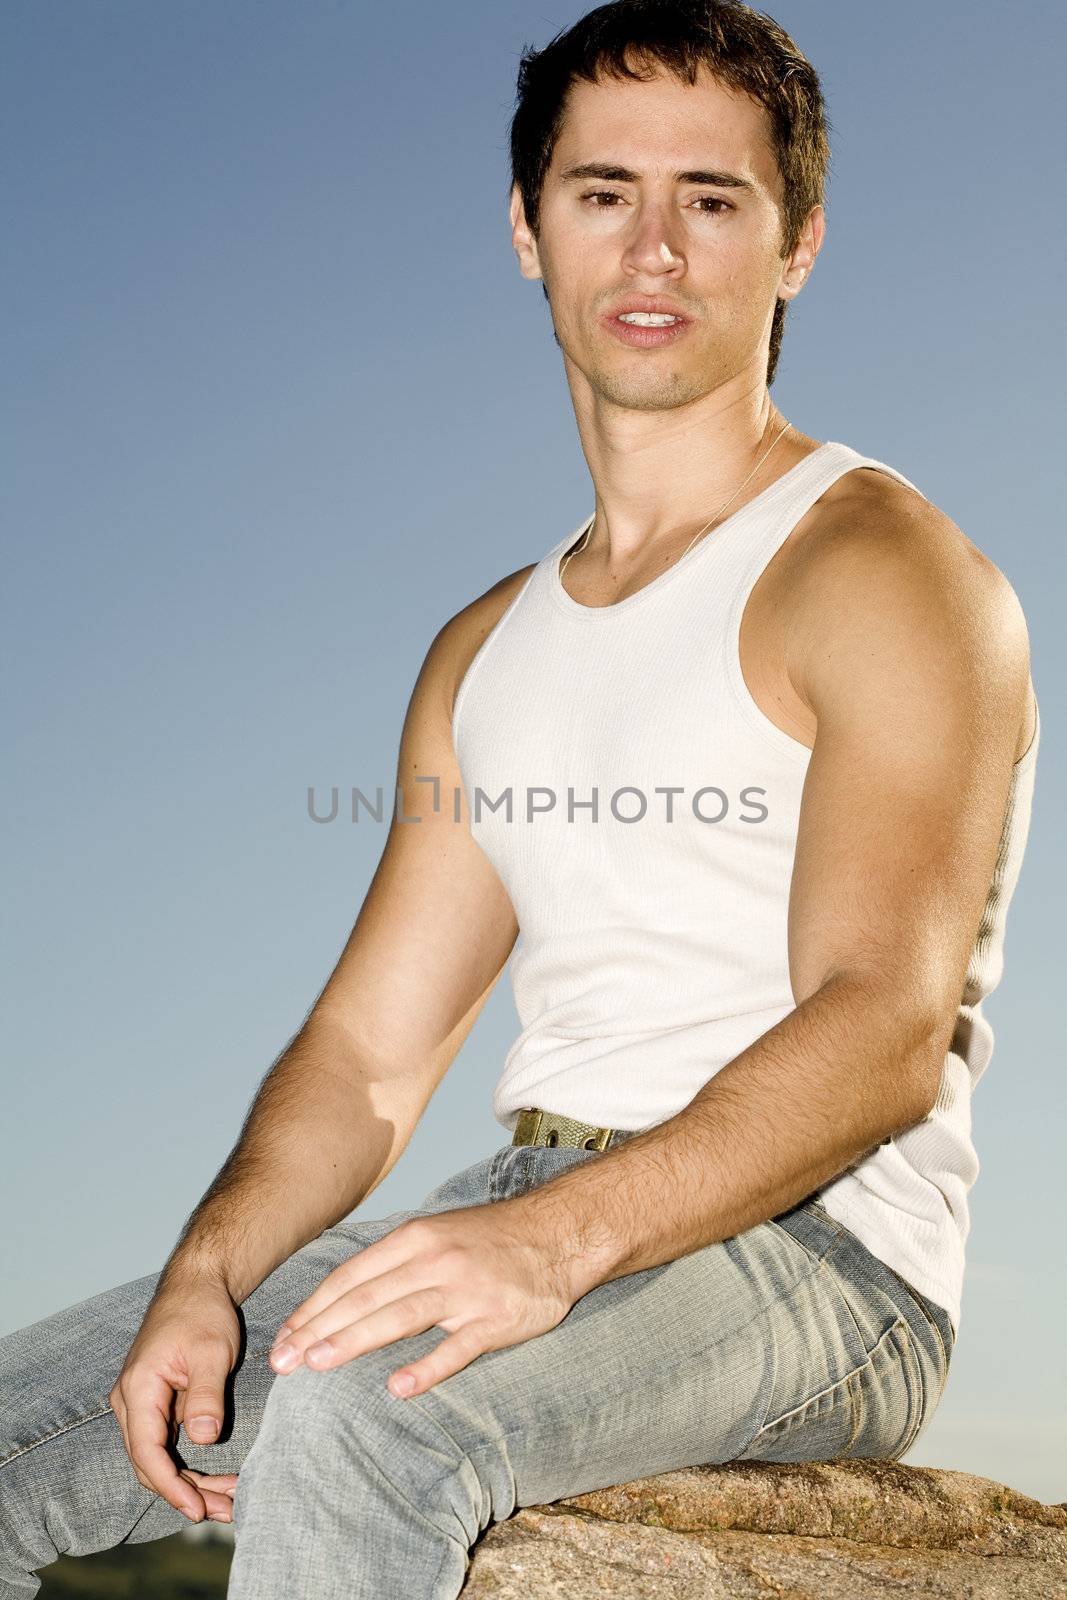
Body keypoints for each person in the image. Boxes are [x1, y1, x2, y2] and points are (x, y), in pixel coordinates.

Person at [0, 2, 1040, 1597]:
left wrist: (551, 1249)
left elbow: (882, 1026)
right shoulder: (485, 649)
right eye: (602, 192)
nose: (653, 252)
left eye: (714, 199)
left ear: (800, 243)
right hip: (521, 1193)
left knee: (367, 1411)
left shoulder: (880, 568)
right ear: (527, 227)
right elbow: (364, 1057)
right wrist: (212, 1269)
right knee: (25, 1434)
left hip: (820, 1258)